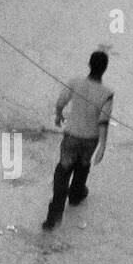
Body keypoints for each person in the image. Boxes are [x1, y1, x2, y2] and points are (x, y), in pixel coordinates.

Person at [43, 50, 113, 231]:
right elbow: (103, 121)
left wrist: (58, 116)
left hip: (71, 137)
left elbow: (61, 101)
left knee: (63, 171)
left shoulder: (75, 83)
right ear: (104, 69)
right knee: (82, 167)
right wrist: (102, 146)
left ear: (89, 64)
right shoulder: (107, 94)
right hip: (90, 140)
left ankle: (54, 216)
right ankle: (76, 195)